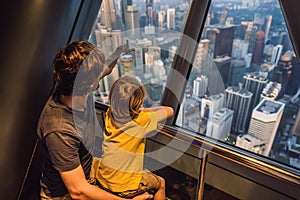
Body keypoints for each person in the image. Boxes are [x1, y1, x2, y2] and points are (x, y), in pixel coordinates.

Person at [37, 41, 153, 200]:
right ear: (89, 82)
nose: (104, 71)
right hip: (64, 195)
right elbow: (78, 191)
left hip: (87, 174)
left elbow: (106, 68)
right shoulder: (59, 129)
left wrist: (119, 52)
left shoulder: (76, 86)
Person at [96, 76, 174, 199]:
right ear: (138, 103)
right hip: (126, 186)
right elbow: (169, 110)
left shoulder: (109, 113)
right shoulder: (141, 120)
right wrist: (144, 111)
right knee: (161, 183)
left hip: (104, 178)